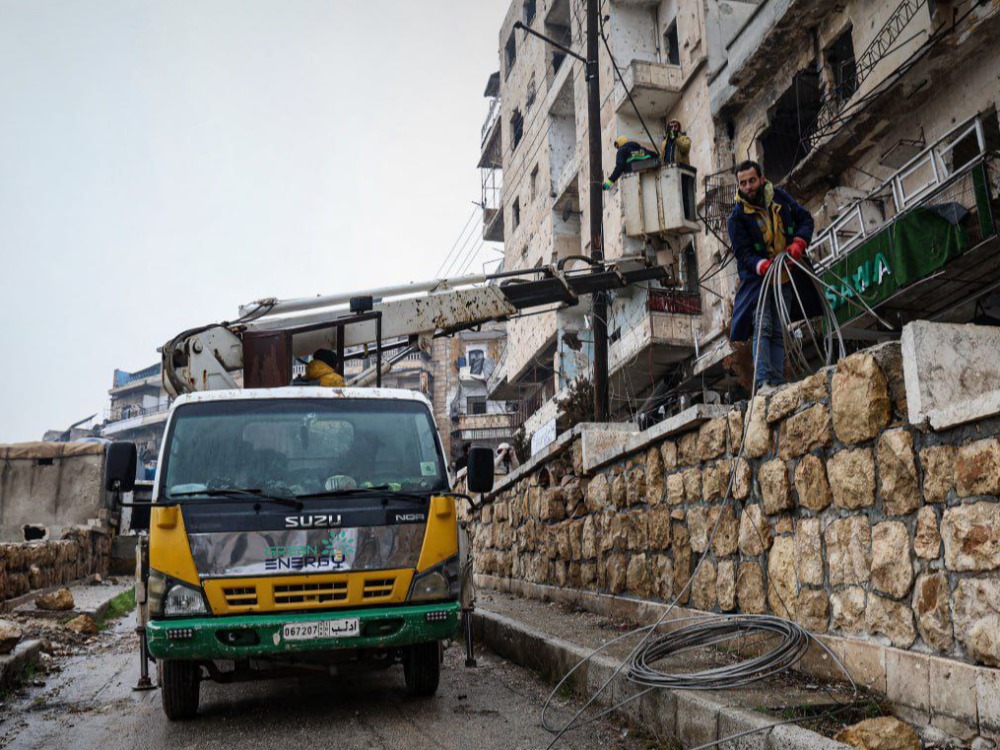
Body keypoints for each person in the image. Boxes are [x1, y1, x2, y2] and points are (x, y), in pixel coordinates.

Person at [727, 160, 823, 390]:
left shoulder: (780, 198)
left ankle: (777, 379)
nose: (748, 187)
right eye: (743, 183)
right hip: (759, 283)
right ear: (739, 185)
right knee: (763, 326)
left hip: (785, 276)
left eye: (752, 181)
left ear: (761, 179)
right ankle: (763, 381)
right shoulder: (737, 218)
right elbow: (743, 253)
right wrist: (761, 265)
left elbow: (805, 219)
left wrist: (798, 243)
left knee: (780, 328)